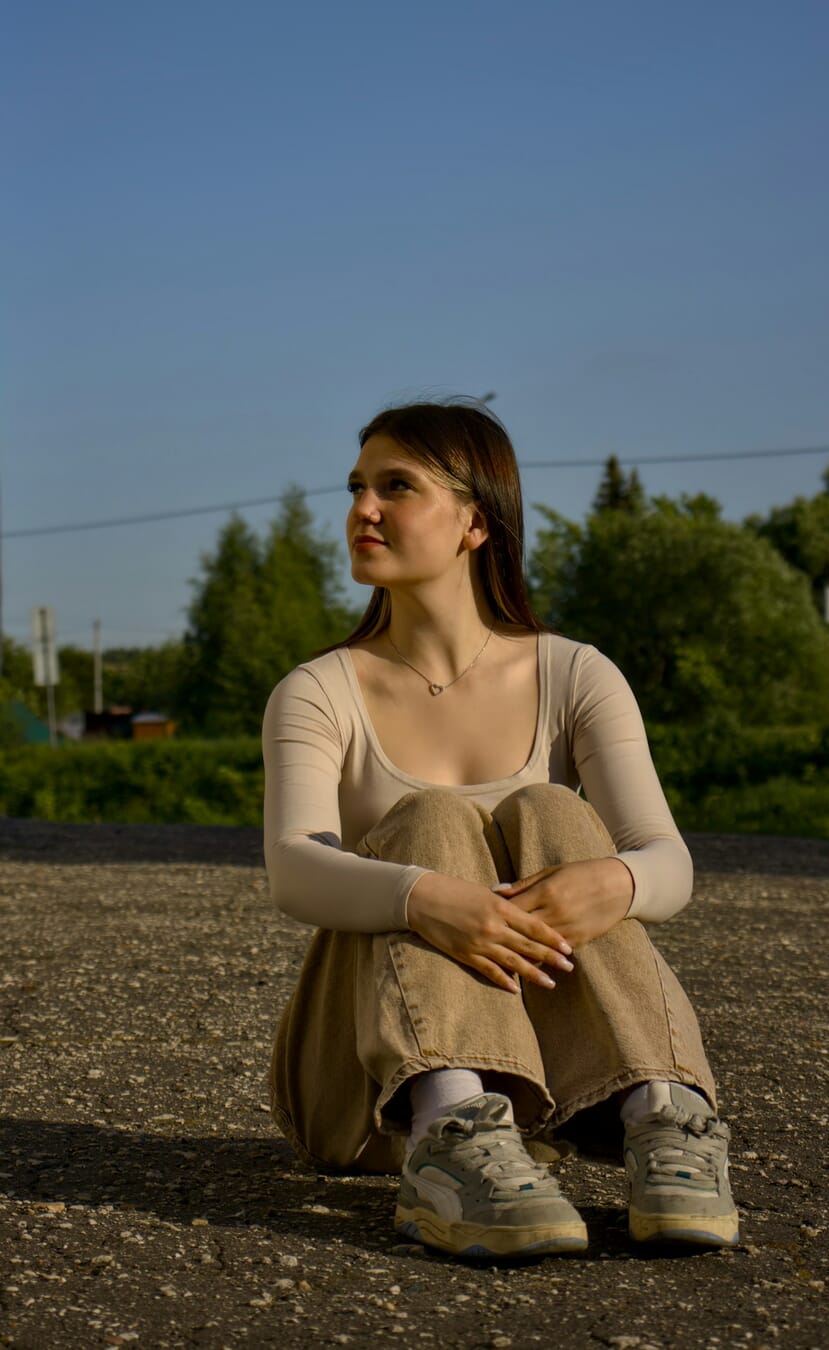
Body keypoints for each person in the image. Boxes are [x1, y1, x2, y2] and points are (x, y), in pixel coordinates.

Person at [263, 399, 739, 1259]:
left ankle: (664, 1117)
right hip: (363, 1097)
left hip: (543, 1102)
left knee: (555, 812)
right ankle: (448, 1132)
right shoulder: (317, 690)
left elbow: (671, 862)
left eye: (395, 487)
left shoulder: (577, 675)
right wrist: (426, 897)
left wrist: (616, 881)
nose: (362, 510)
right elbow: (295, 872)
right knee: (433, 818)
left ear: (475, 522)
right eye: (357, 486)